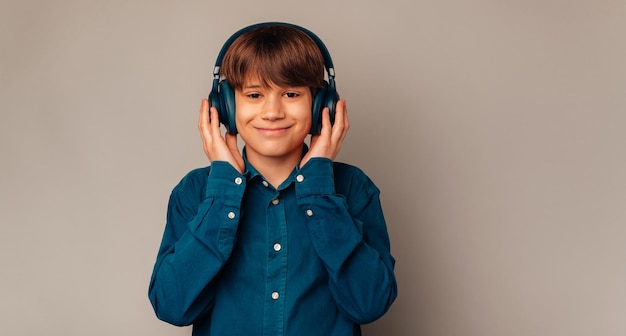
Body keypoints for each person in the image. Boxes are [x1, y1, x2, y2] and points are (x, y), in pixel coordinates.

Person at [148, 22, 397, 336]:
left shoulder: (353, 188)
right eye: (254, 94)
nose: (272, 111)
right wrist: (224, 191)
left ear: (323, 105)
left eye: (291, 93)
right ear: (224, 105)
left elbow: (369, 305)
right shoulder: (195, 192)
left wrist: (319, 189)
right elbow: (172, 307)